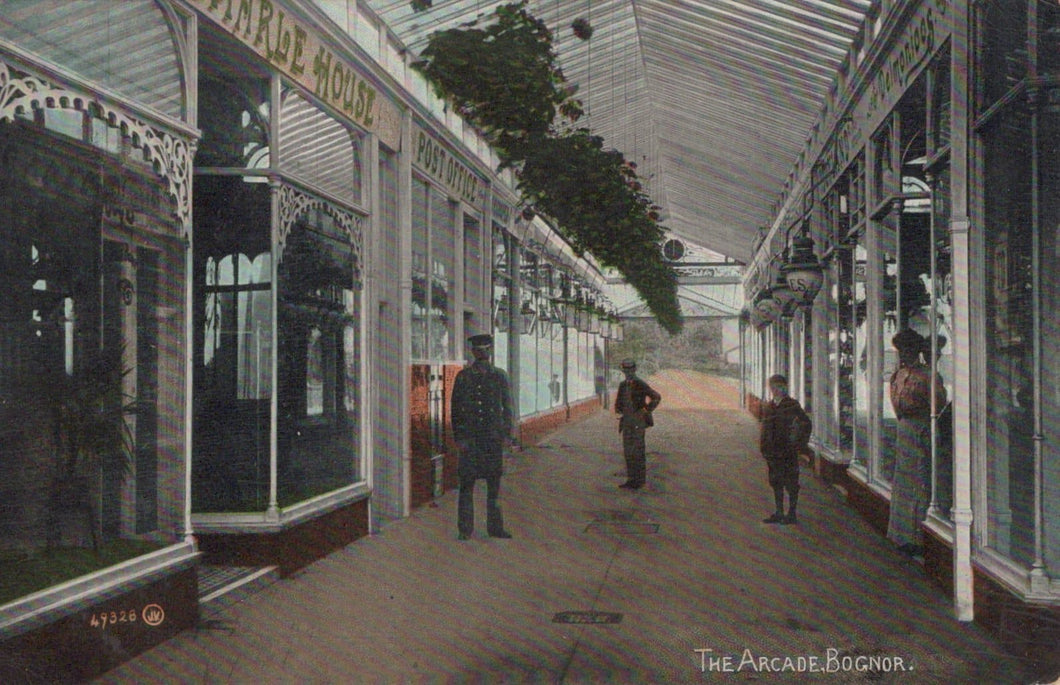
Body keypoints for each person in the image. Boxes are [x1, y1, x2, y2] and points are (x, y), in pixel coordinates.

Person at [888, 328, 946, 557]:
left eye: (908, 350)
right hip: (906, 430)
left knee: (919, 481)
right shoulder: (898, 375)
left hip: (922, 429)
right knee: (904, 481)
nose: (904, 355)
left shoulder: (927, 376)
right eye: (901, 351)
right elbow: (896, 404)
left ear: (917, 351)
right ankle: (901, 535)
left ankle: (917, 536)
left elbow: (938, 406)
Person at [451, 333, 515, 540]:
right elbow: (456, 410)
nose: (481, 354)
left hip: (492, 440)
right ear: (472, 352)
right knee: (466, 485)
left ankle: (495, 528)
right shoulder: (463, 377)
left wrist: (507, 435)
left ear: (490, 351)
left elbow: (508, 408)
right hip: (470, 441)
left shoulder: (500, 376)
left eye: (484, 350)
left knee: (494, 486)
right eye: (477, 350)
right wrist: (459, 437)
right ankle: (464, 529)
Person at [759, 374, 811, 524]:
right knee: (775, 481)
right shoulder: (769, 406)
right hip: (772, 451)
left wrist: (799, 444)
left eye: (779, 387)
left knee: (791, 482)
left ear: (785, 387)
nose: (776, 390)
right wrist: (763, 446)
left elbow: (806, 423)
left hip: (787, 451)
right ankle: (779, 512)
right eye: (773, 387)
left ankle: (792, 513)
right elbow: (765, 427)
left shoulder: (792, 404)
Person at [614, 359, 661, 489]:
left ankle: (639, 481)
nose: (628, 372)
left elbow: (656, 397)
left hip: (638, 421)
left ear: (634, 370)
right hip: (627, 421)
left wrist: (646, 410)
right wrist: (619, 410)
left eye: (630, 370)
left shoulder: (640, 384)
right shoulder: (623, 385)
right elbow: (619, 402)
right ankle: (631, 480)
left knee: (638, 450)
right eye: (625, 370)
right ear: (623, 371)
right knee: (628, 451)